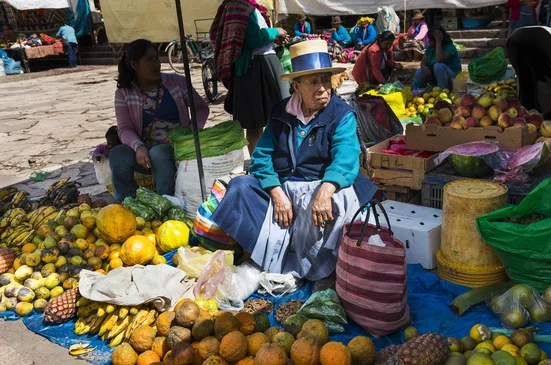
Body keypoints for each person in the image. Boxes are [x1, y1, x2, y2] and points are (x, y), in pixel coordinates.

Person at [211, 40, 376, 283]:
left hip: (321, 187)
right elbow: (261, 156)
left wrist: (325, 191)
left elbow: (346, 158)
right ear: (296, 86)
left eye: (325, 80)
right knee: (239, 188)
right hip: (286, 190)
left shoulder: (341, 115)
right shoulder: (280, 113)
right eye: (313, 81)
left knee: (340, 198)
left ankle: (323, 270)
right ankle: (270, 254)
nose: (322, 88)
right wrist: (277, 193)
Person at [110, 39, 209, 200]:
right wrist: (138, 146)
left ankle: (167, 203)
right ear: (134, 65)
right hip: (144, 155)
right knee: (118, 154)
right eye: (149, 59)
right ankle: (126, 201)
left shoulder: (177, 82)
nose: (156, 64)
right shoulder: (124, 93)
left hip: (176, 150)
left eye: (156, 58)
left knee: (158, 153)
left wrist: (192, 132)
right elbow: (125, 128)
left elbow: (201, 108)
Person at [210, 0, 290, 155]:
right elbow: (254, 38)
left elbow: (253, 35)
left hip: (260, 64)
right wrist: (276, 31)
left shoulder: (247, 7)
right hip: (255, 67)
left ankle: (267, 159)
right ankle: (258, 163)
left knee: (265, 120)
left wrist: (273, 38)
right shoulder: (240, 7)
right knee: (256, 122)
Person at [412, 26, 461, 91]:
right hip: (435, 79)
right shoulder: (430, 48)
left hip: (453, 80)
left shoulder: (450, 47)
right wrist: (425, 68)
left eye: (431, 40)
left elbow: (439, 59)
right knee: (420, 71)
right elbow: (423, 62)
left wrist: (438, 42)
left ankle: (442, 90)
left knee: (438, 66)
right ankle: (422, 89)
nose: (429, 42)